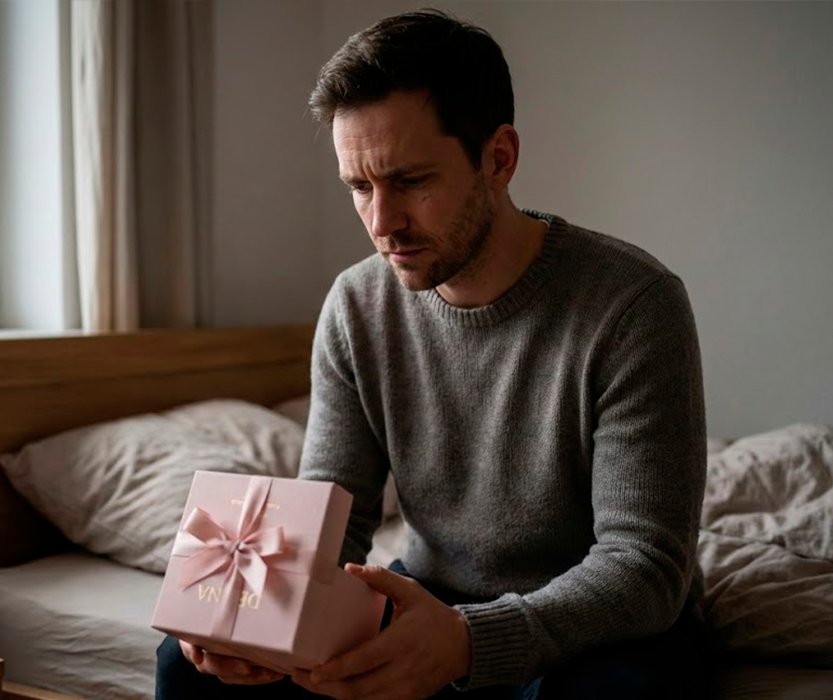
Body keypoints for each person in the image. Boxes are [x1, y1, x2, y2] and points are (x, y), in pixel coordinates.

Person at [156, 9, 707, 699]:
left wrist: (470, 643)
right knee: (187, 669)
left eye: (411, 180)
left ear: (498, 158)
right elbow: (333, 520)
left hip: (593, 624)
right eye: (360, 187)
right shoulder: (357, 306)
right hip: (430, 598)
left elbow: (644, 566)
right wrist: (255, 618)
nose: (382, 223)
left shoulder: (632, 304)